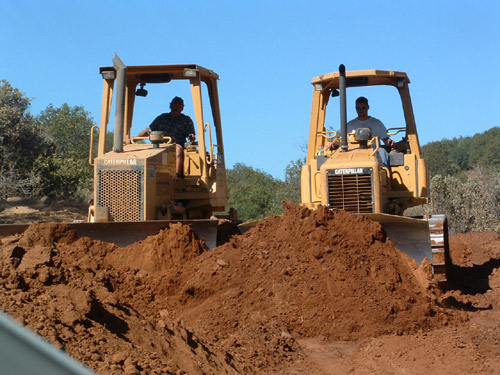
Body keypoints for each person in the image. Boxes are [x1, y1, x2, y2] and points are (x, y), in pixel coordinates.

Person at [137, 96, 195, 178]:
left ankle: (177, 176)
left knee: (178, 150)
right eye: (175, 105)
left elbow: (191, 134)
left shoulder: (186, 120)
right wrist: (134, 139)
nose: (176, 108)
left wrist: (191, 137)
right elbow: (148, 131)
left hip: (175, 145)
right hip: (159, 146)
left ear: (182, 108)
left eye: (179, 106)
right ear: (170, 106)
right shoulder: (162, 118)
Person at [328, 96, 395, 167]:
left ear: (368, 107)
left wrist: (391, 143)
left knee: (382, 152)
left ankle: (384, 173)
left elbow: (386, 139)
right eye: (358, 108)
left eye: (363, 108)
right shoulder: (349, 125)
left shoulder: (376, 123)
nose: (361, 110)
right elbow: (341, 141)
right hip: (353, 152)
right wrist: (333, 143)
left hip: (374, 151)